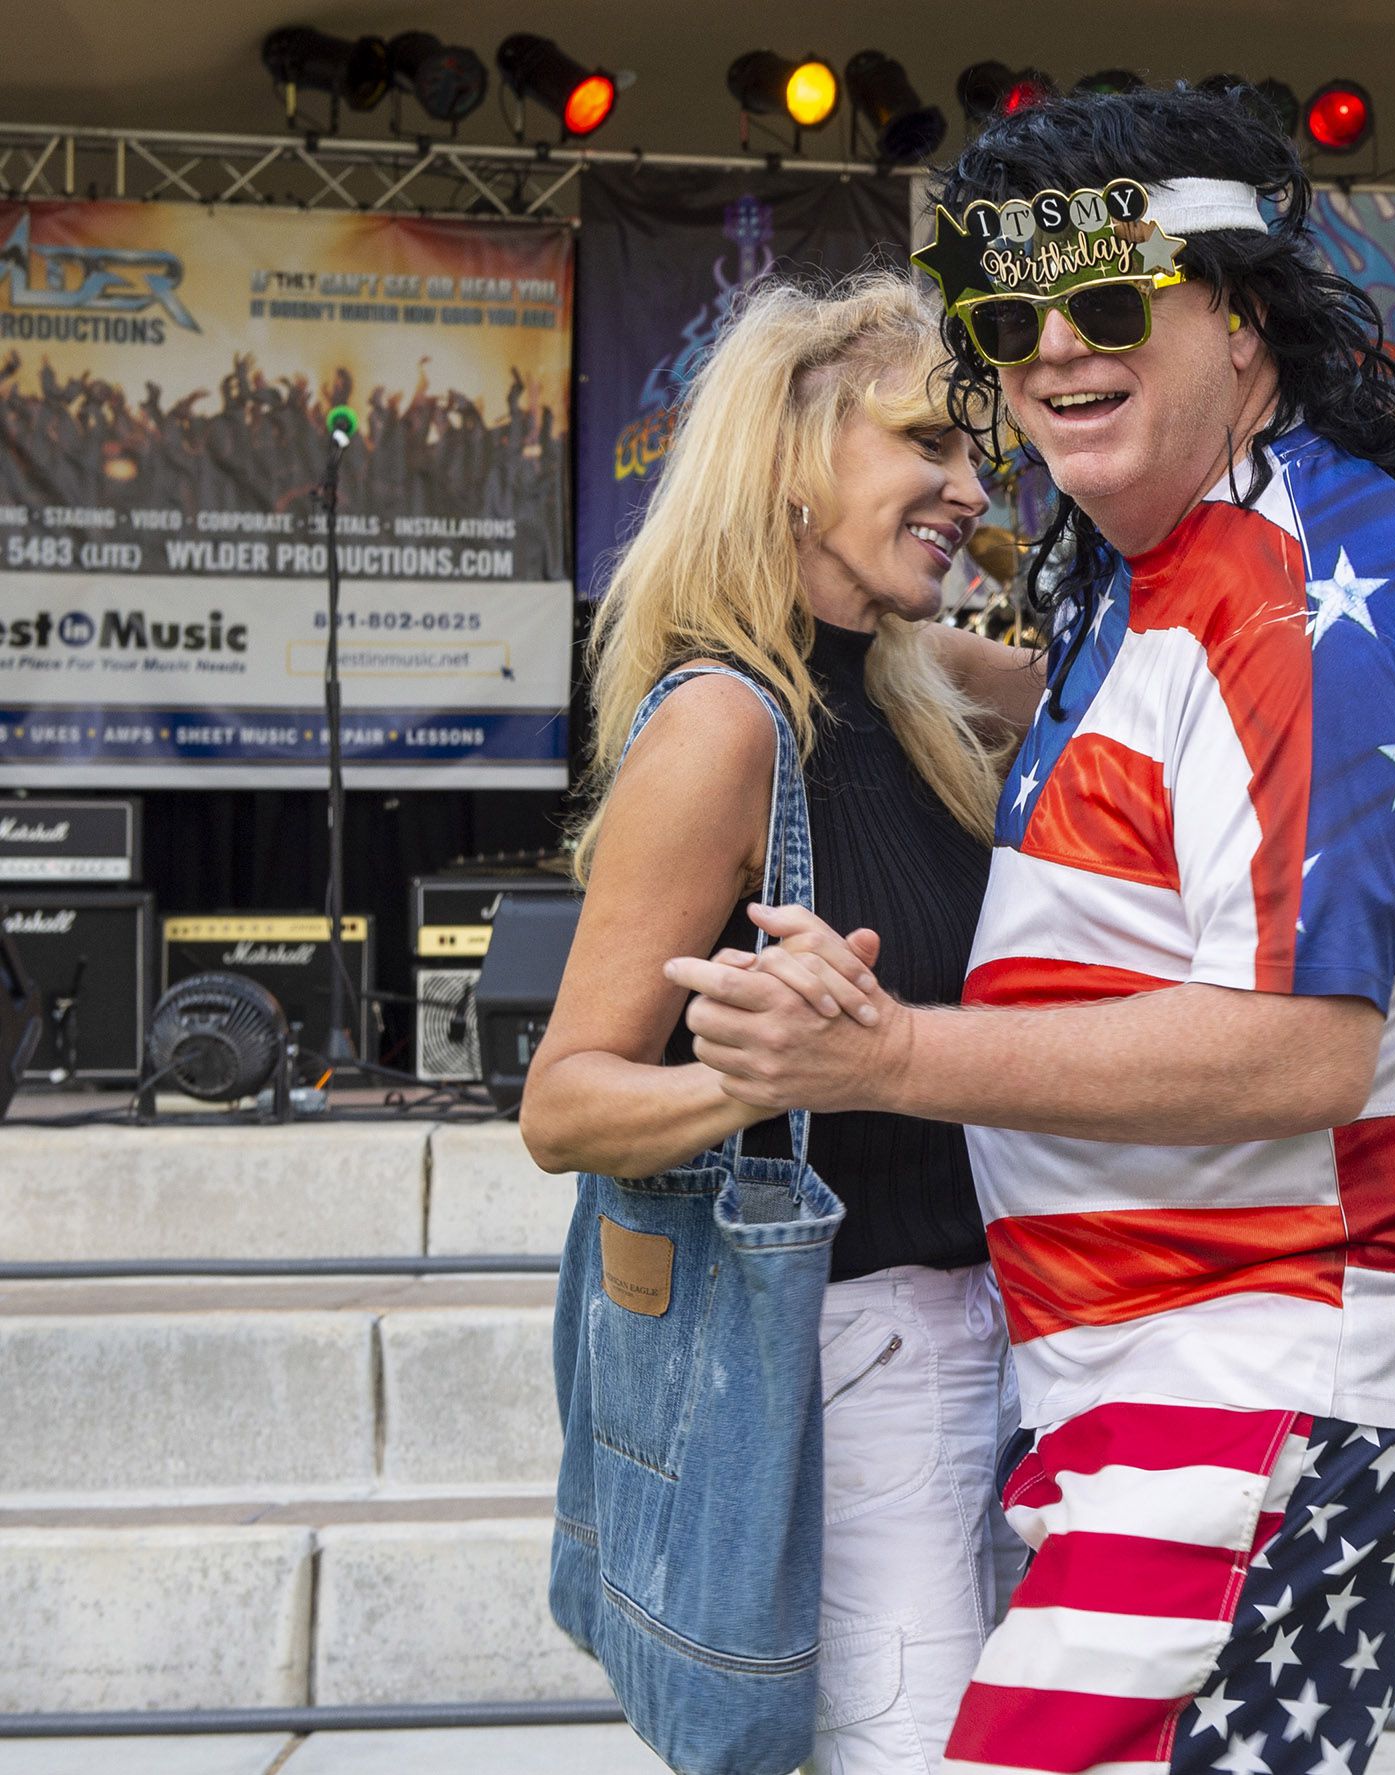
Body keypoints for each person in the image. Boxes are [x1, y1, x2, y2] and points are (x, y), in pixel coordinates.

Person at [665, 86, 1395, 1775]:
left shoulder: (1293, 609)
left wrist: (892, 1053)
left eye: (1113, 301)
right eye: (1013, 318)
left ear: (1244, 304)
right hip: (1203, 1342)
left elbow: (1299, 1045)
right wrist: (845, 628)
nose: (1057, 348)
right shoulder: (1162, 559)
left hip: (1286, 1354)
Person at [518, 272, 1043, 1773]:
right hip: (860, 1362)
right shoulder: (726, 727)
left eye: (975, 451)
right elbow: (564, 1103)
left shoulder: (917, 681)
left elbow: (1136, 669)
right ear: (793, 452)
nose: (966, 482)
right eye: (925, 444)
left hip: (991, 1340)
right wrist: (749, 1079)